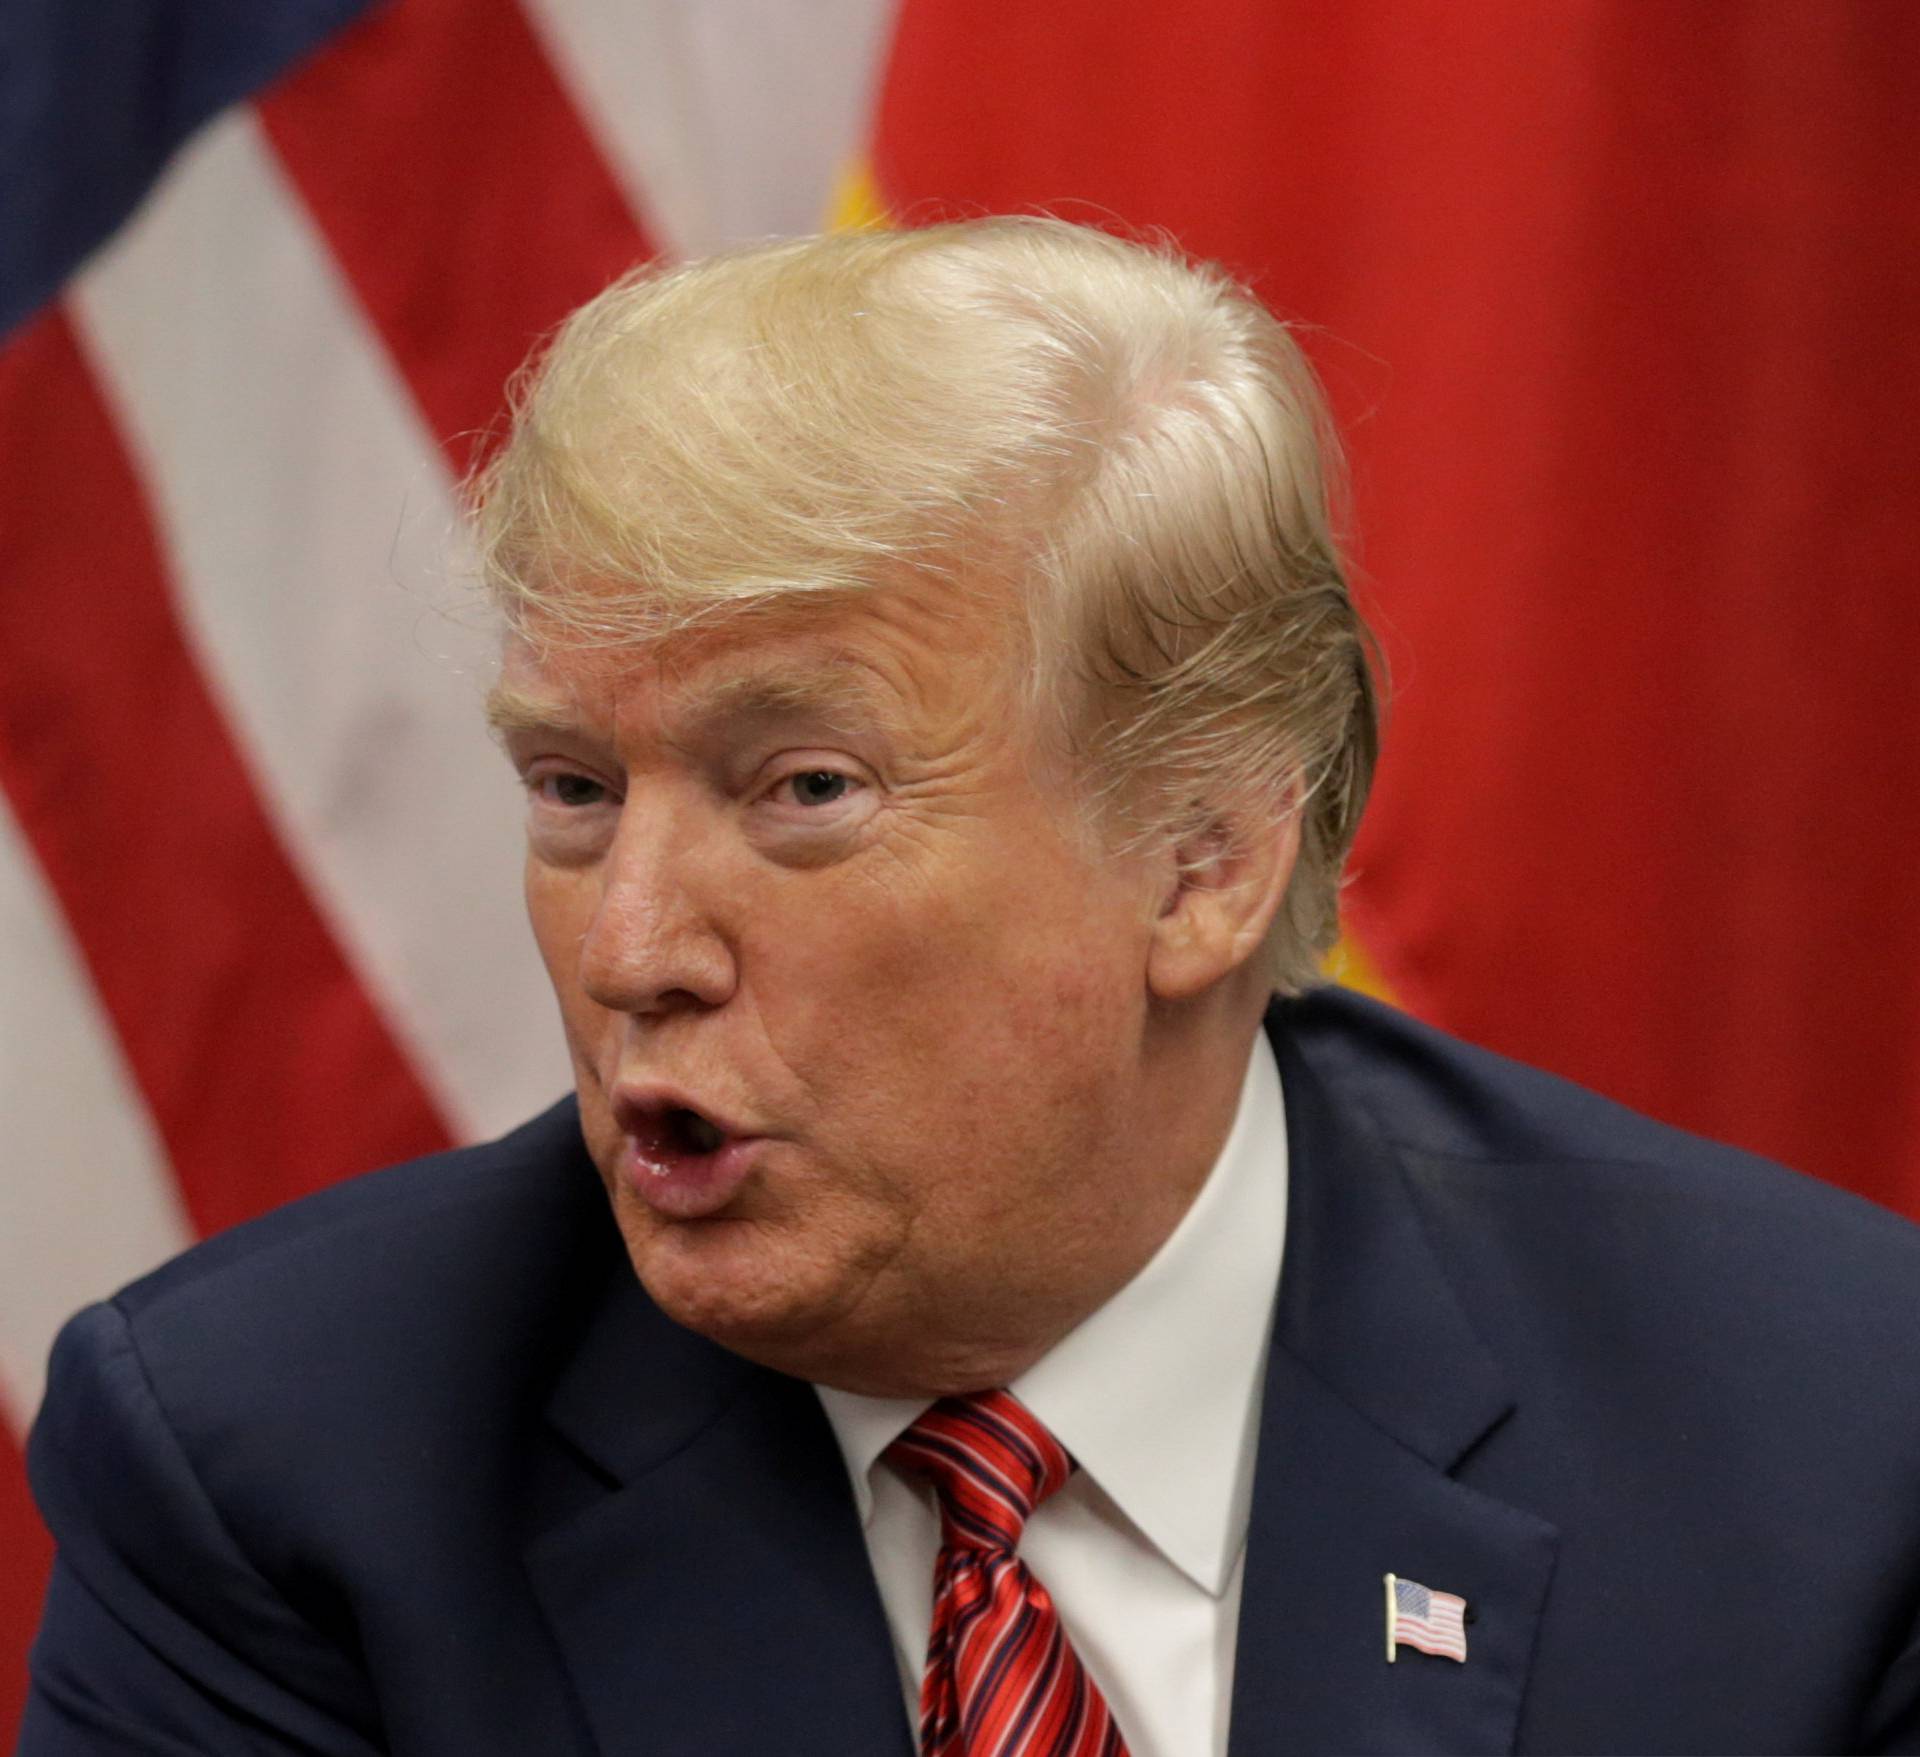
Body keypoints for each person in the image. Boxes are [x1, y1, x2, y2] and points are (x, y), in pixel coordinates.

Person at [21, 218, 1920, 1757]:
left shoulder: (1824, 1442)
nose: (631, 951)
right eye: (577, 791)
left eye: (806, 791)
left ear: (1203, 859)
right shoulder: (282, 1462)